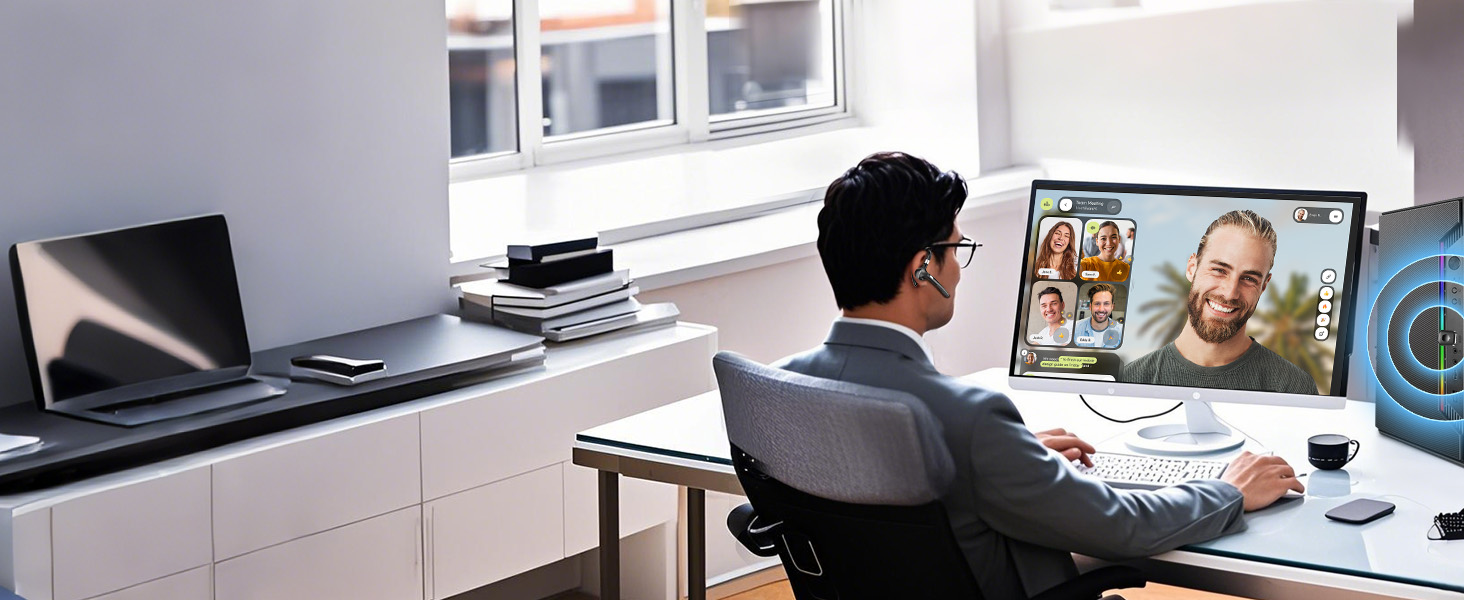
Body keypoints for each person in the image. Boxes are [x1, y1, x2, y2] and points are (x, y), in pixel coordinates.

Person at [779, 152, 1304, 600]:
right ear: (923, 268)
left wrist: (1010, 459)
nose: (958, 268)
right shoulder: (968, 420)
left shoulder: (782, 388)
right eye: (956, 250)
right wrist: (1229, 490)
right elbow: (1121, 524)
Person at [1122, 210, 1317, 394]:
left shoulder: (1293, 387)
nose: (1230, 293)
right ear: (1192, 268)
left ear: (1264, 285)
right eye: (1219, 270)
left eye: (1249, 278)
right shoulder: (1131, 381)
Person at [1074, 284, 1122, 348]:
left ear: (1112, 307)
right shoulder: (1075, 329)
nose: (1101, 309)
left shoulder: (1121, 331)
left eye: (1106, 304)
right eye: (1097, 304)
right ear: (1090, 306)